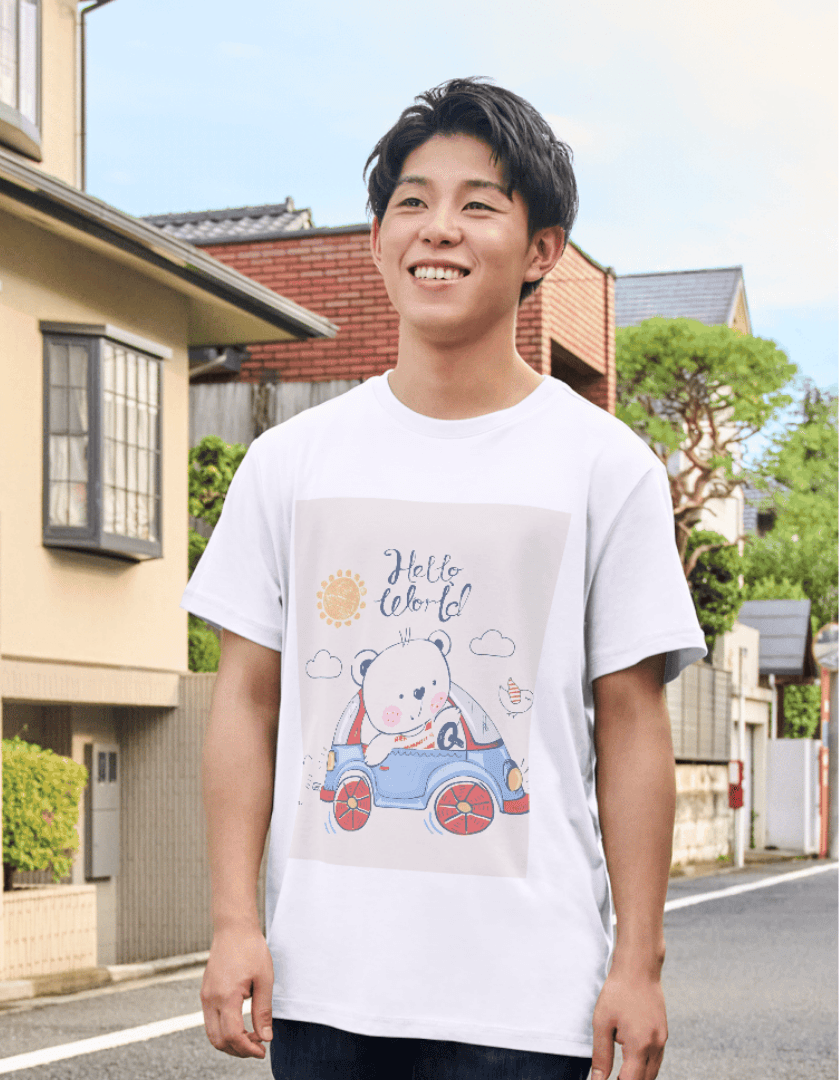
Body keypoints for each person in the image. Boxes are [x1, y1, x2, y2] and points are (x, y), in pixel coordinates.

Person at [182, 77, 705, 1080]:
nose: (438, 229)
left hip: (531, 1002)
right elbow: (246, 701)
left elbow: (633, 723)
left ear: (541, 249)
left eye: (478, 204)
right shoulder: (290, 464)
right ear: (379, 236)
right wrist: (233, 922)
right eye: (412, 202)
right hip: (326, 992)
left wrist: (638, 964)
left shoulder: (606, 467)